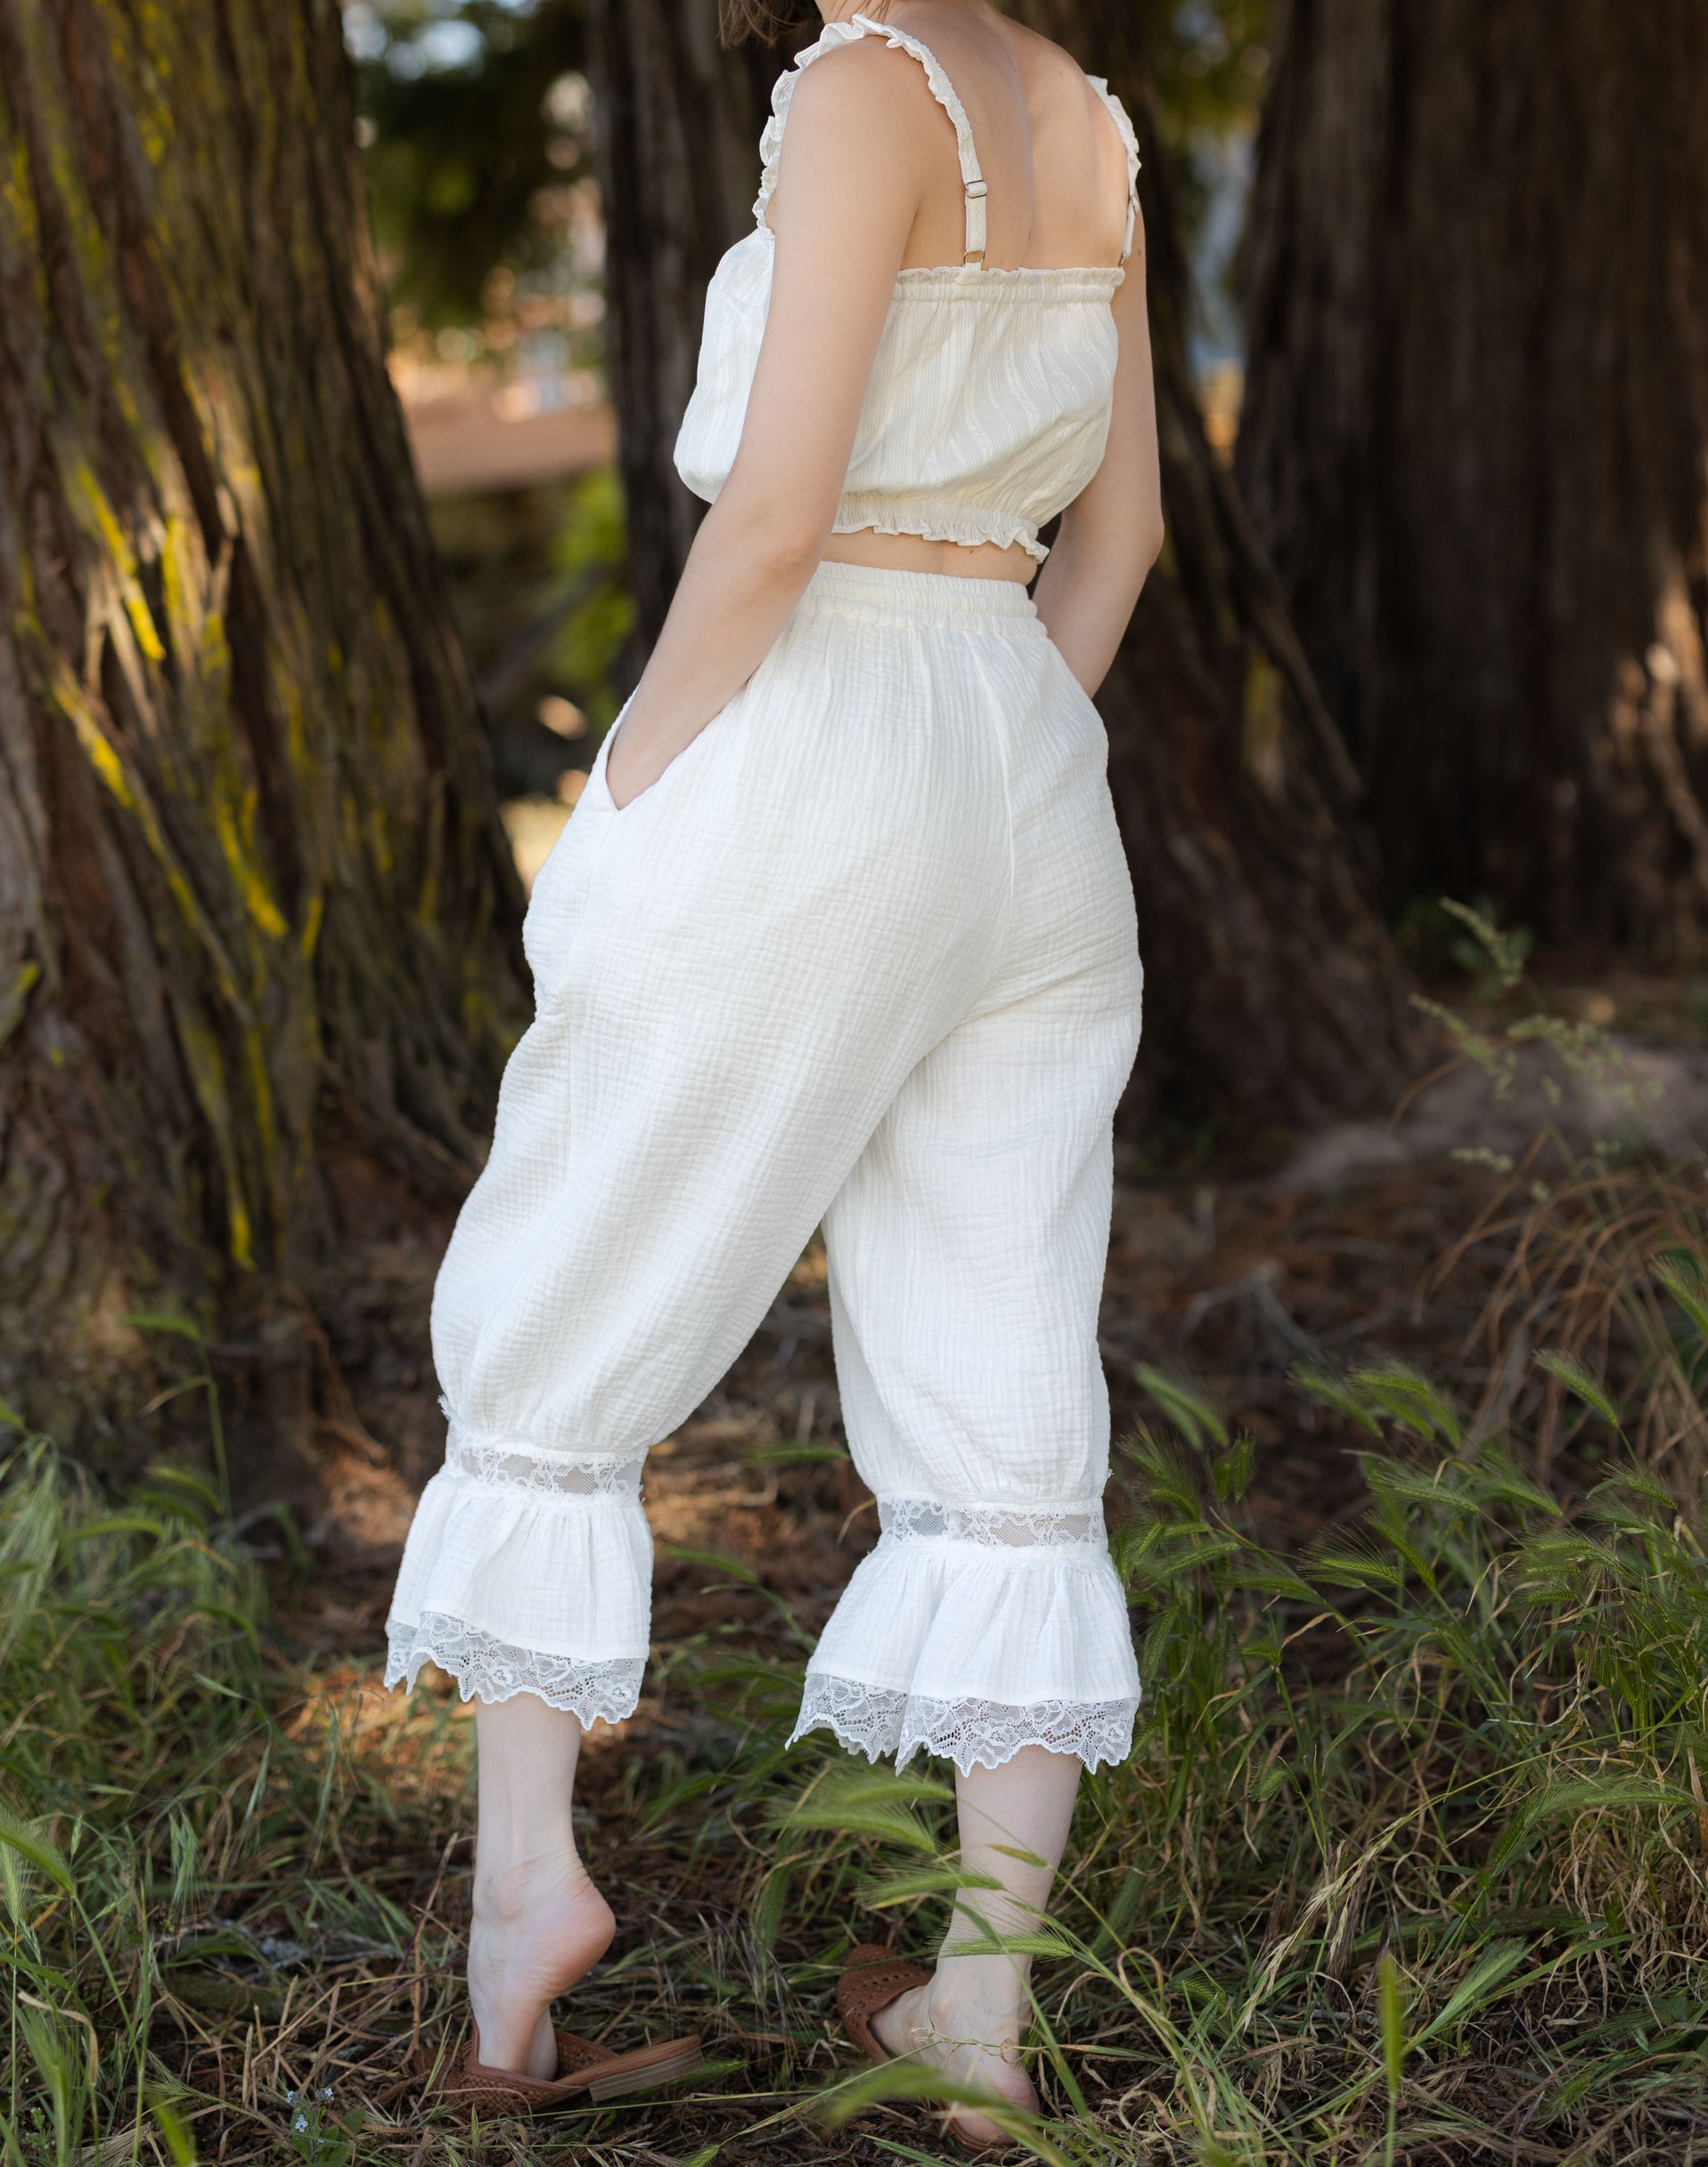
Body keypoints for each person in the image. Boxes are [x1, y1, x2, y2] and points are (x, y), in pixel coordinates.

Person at [386, 0, 1164, 2143]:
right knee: (1006, 1369)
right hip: (1021, 745)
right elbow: (1122, 540)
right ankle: (979, 2016)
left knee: (572, 1293)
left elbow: (772, 515)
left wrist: (635, 784)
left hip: (816, 715)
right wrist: (1004, 757)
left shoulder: (858, 90)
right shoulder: (1093, 123)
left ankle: (525, 1906)